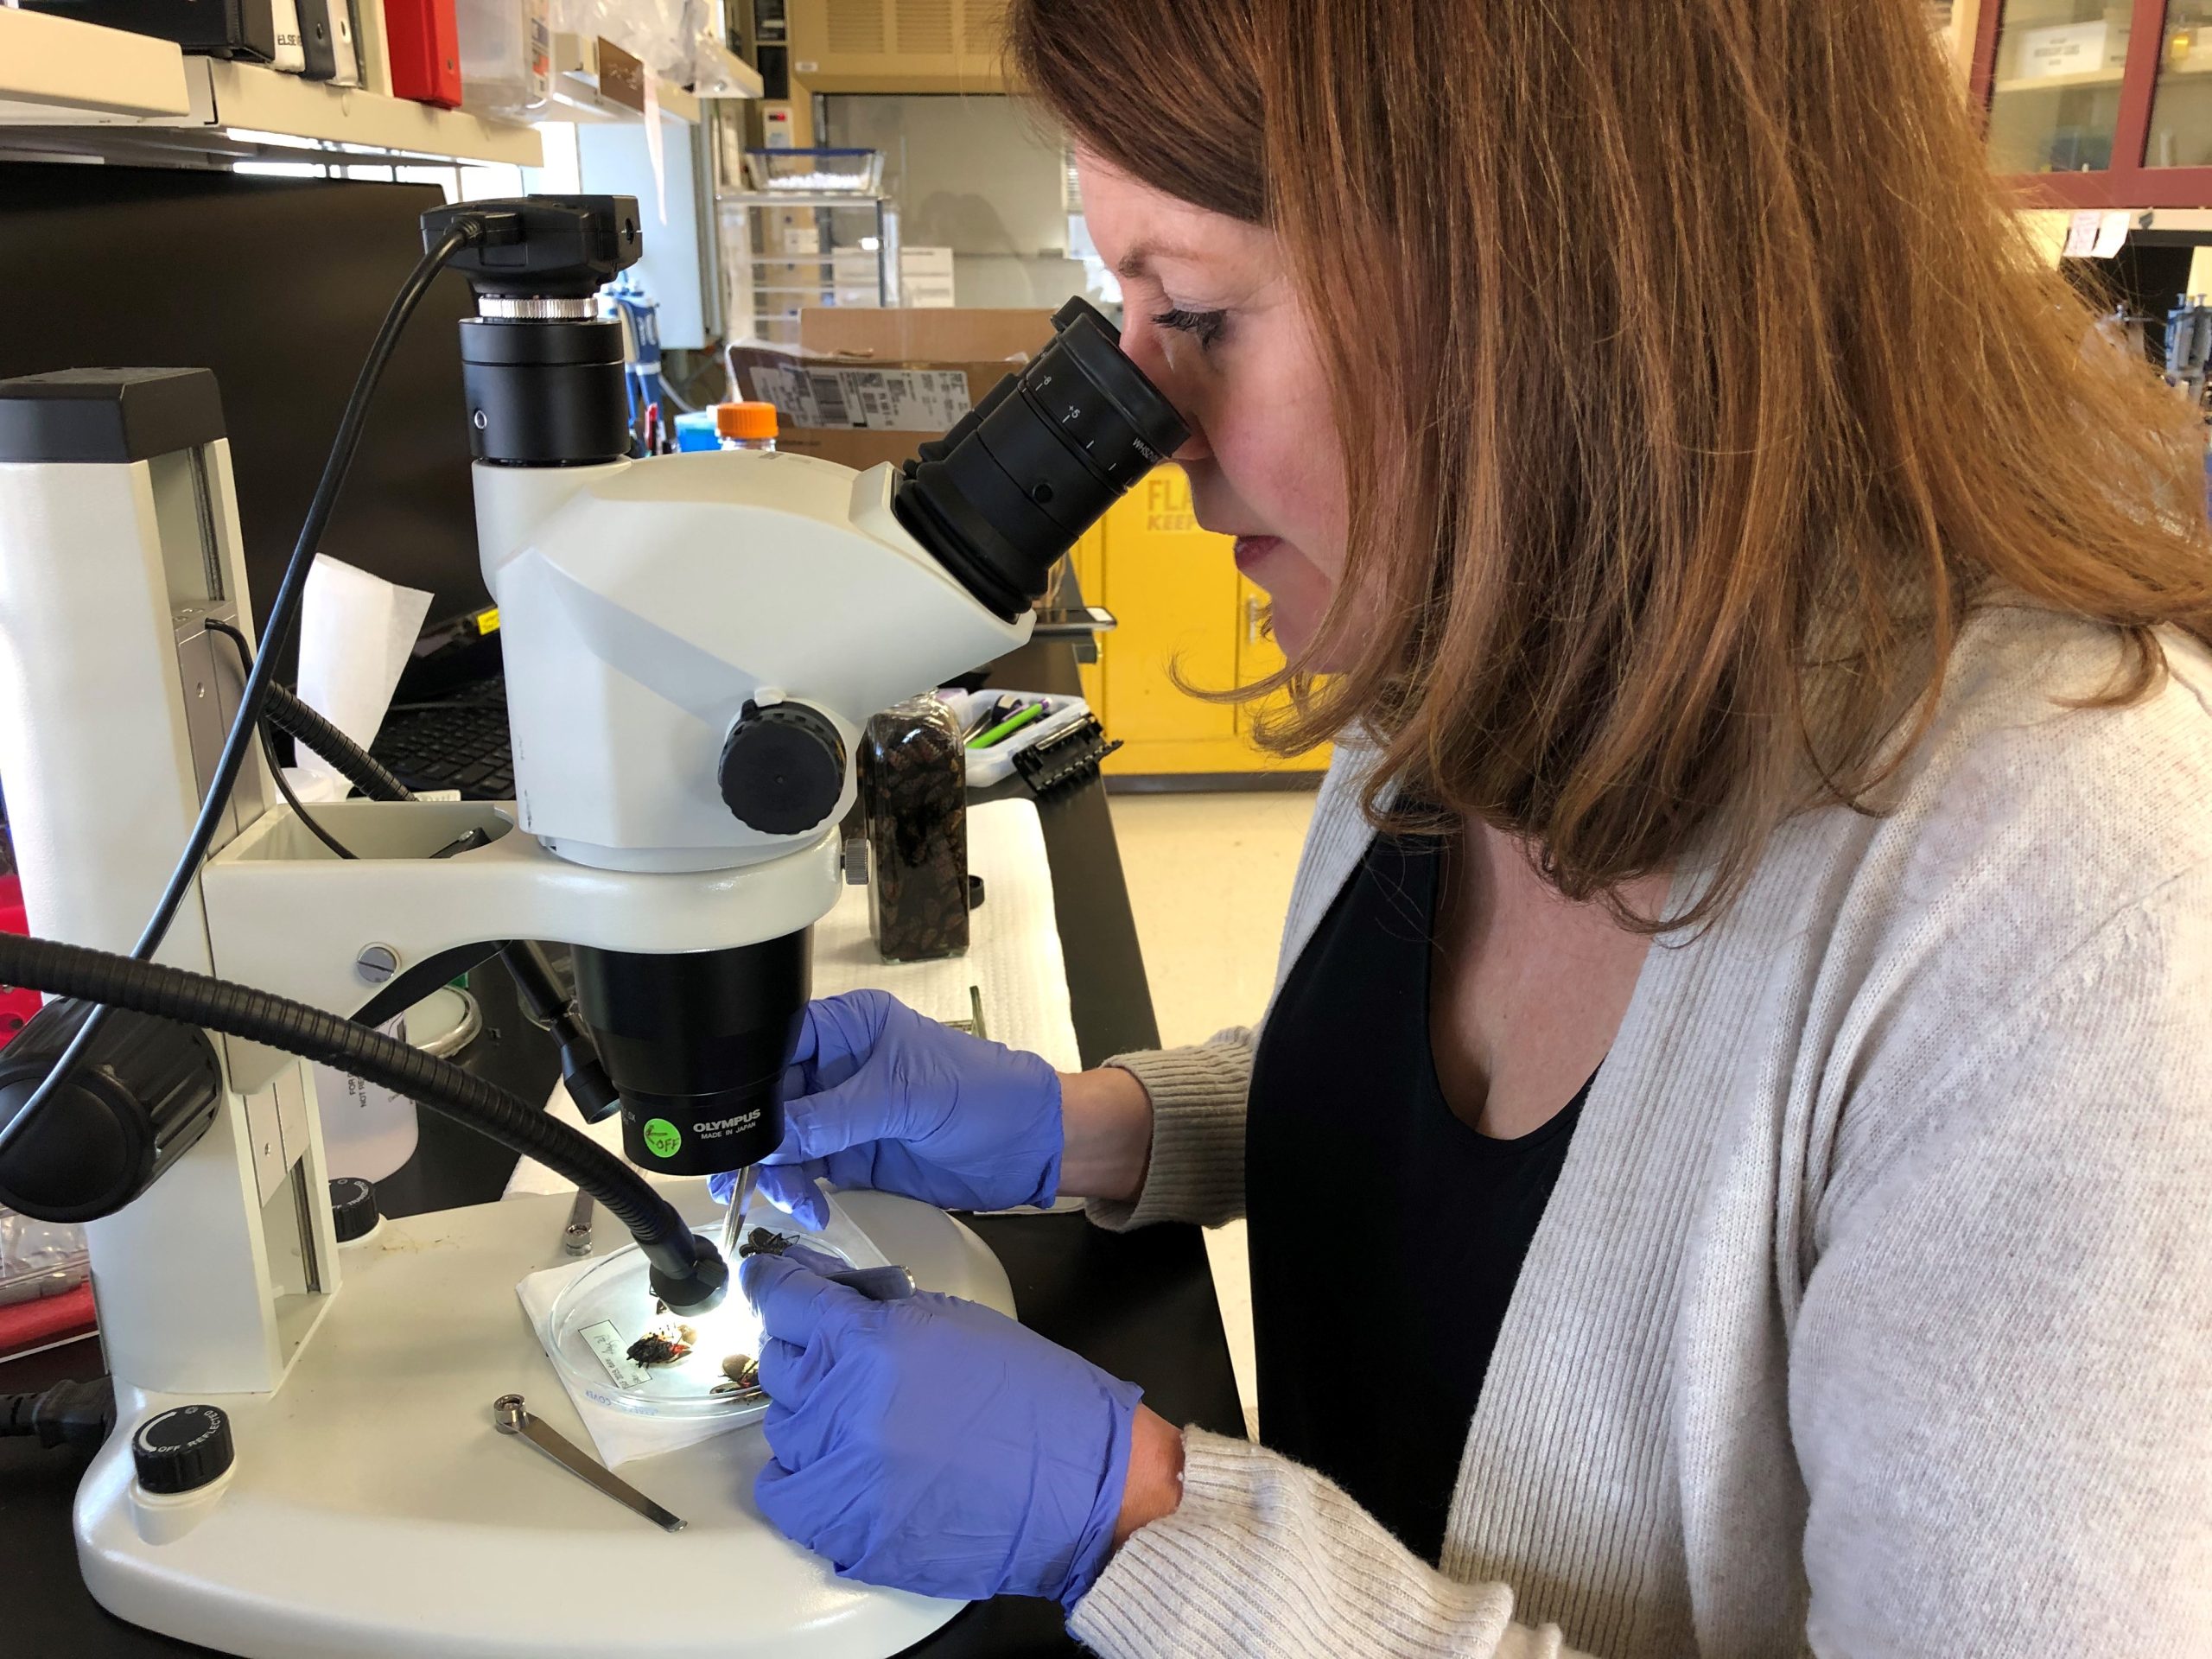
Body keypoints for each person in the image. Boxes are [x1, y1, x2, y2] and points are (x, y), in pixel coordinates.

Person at [721, 3, 2212, 1652]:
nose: (1147, 436)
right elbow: (1466, 1161)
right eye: (1125, 315)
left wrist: (1145, 1524)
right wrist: (1091, 1129)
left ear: (1548, 285)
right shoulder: (1474, 638)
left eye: (1196, 314)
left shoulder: (2076, 905)